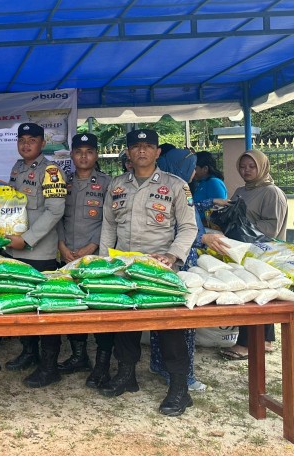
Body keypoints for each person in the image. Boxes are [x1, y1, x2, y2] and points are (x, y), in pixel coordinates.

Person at [99, 129, 198, 416]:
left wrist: (173, 255)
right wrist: (106, 262)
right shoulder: (117, 185)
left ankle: (179, 388)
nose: (141, 151)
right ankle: (126, 375)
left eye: (147, 146)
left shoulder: (176, 186)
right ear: (128, 153)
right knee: (125, 323)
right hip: (124, 266)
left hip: (158, 268)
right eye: (135, 146)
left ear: (157, 153)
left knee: (168, 328)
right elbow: (108, 226)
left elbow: (189, 226)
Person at [150, 148, 229, 392]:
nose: (195, 171)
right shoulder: (177, 190)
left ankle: (159, 364)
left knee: (161, 316)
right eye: (191, 166)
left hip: (165, 260)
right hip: (179, 262)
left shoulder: (172, 187)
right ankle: (186, 377)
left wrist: (212, 202)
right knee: (183, 322)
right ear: (181, 168)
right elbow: (182, 229)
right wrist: (204, 237)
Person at [3, 123, 68, 388]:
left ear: (42, 143)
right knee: (23, 304)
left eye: (32, 140)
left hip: (38, 251)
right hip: (14, 249)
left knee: (44, 306)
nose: (26, 144)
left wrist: (27, 240)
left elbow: (56, 211)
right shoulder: (17, 168)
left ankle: (49, 366)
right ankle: (29, 352)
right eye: (22, 139)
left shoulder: (51, 171)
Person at [211, 149, 287, 359]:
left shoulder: (271, 193)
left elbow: (272, 227)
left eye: (252, 166)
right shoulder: (240, 191)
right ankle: (266, 340)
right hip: (243, 251)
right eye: (243, 167)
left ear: (262, 167)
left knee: (255, 298)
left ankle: (246, 344)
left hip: (264, 254)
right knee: (259, 296)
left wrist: (241, 223)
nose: (247, 171)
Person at [56, 133, 113, 387]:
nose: (83, 156)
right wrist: (61, 246)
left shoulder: (108, 184)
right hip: (67, 254)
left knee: (100, 309)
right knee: (72, 307)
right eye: (79, 151)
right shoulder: (62, 183)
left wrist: (93, 247)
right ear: (71, 155)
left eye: (89, 151)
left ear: (96, 155)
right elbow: (57, 218)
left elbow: (110, 221)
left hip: (95, 256)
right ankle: (79, 356)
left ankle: (102, 364)